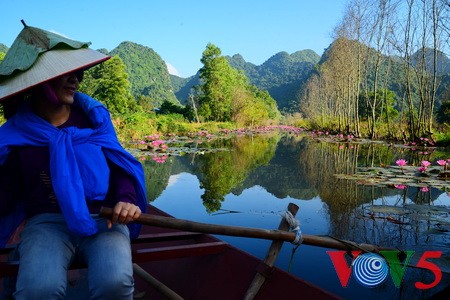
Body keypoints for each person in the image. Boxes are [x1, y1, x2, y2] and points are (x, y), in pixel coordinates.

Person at [0, 22, 147, 299]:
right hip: (46, 222)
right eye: (64, 74)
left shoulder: (95, 120)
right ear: (38, 83)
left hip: (105, 220)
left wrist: (127, 199)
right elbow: (7, 190)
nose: (75, 80)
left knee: (114, 284)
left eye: (77, 73)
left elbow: (120, 168)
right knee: (37, 290)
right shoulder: (15, 135)